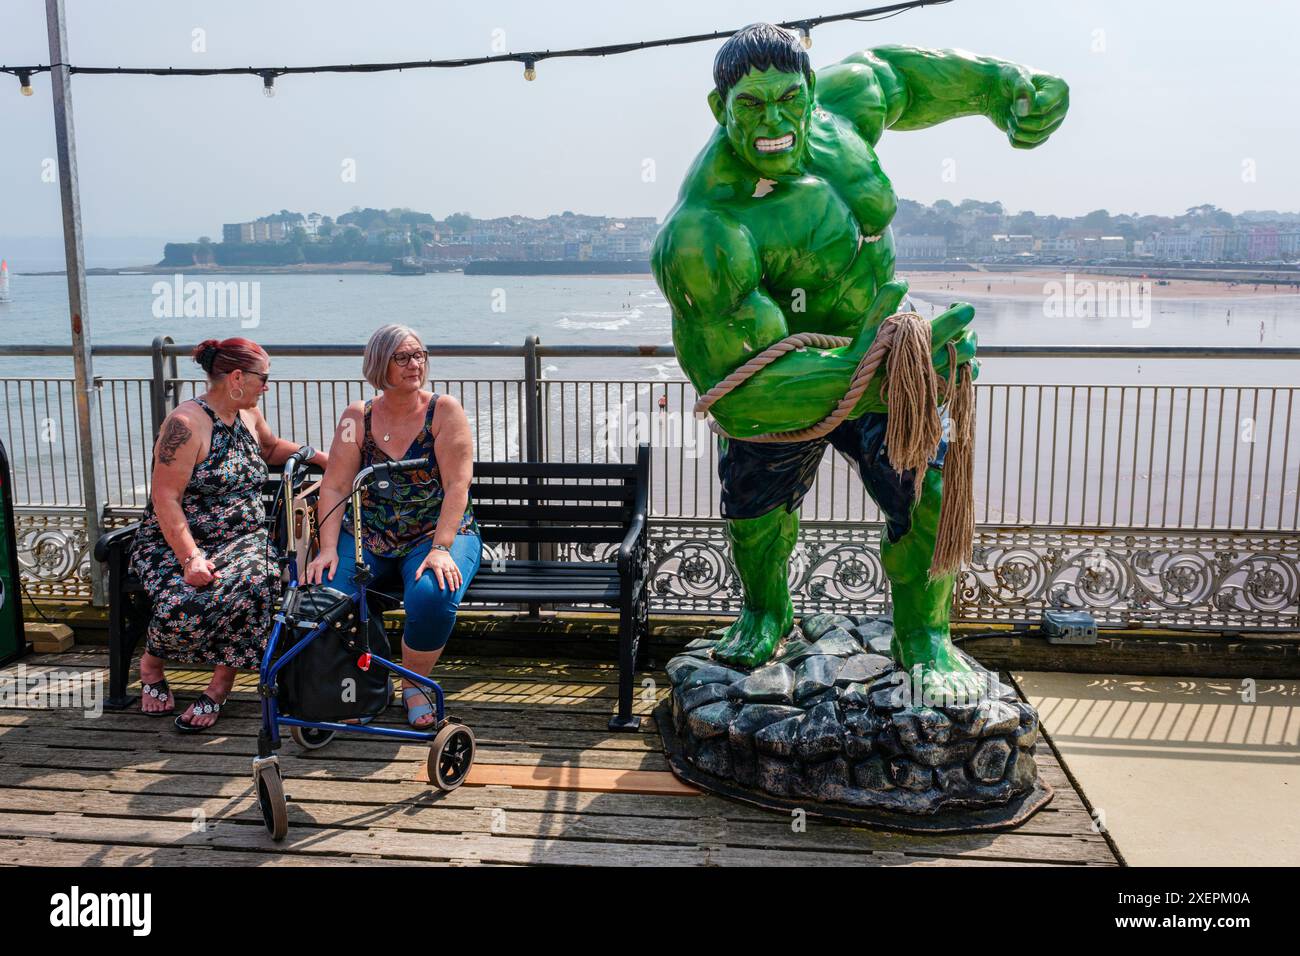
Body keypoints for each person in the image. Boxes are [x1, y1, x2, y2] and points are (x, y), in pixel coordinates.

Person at [651, 23, 1067, 693]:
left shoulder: (840, 113)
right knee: (757, 514)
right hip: (791, 381)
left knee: (930, 495)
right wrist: (870, 372)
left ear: (812, 91)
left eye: (789, 99)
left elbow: (900, 78)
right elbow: (738, 389)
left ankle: (925, 636)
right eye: (752, 105)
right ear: (718, 108)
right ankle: (764, 612)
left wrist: (1003, 89)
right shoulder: (704, 230)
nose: (774, 123)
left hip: (886, 353)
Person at [131, 337, 328, 731]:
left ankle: (219, 688)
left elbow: (270, 449)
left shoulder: (249, 415)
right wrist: (191, 558)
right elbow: (164, 497)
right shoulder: (185, 425)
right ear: (237, 377)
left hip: (245, 539)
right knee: (185, 605)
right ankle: (151, 663)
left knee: (261, 580)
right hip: (178, 541)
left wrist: (323, 458)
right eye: (264, 377)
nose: (267, 385)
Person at [306, 324, 482, 728]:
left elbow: (459, 484)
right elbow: (333, 487)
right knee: (328, 596)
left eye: (418, 354)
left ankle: (414, 684)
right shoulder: (357, 417)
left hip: (434, 534)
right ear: (379, 365)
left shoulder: (444, 410)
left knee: (433, 595)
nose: (414, 364)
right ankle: (361, 682)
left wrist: (441, 547)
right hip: (369, 537)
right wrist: (328, 548)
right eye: (401, 357)